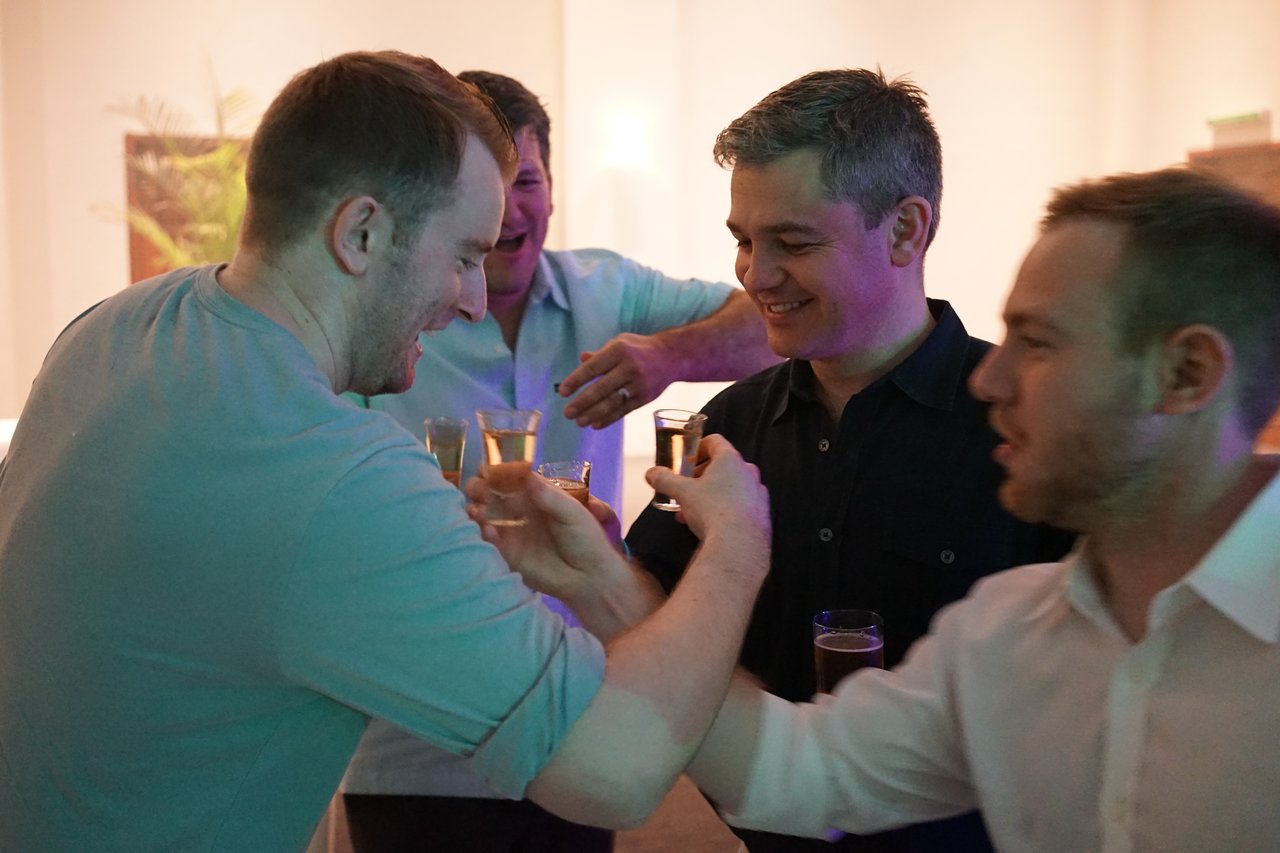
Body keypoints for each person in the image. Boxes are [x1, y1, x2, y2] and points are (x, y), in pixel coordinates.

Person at [0, 51, 773, 851]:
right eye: (464, 256)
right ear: (361, 232)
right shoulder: (340, 479)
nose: (474, 298)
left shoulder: (110, 328)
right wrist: (739, 542)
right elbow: (621, 768)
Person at [674, 166, 1280, 851]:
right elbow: (803, 770)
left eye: (1040, 342)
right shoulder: (1006, 632)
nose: (990, 379)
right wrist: (596, 580)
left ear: (1186, 373)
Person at [625, 69, 1073, 853]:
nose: (755, 277)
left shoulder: (1028, 433)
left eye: (792, 242)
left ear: (906, 229)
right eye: (743, 240)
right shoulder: (728, 424)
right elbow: (654, 610)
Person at [340, 69, 777, 853]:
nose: (510, 210)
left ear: (554, 185)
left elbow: (767, 323)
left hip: (573, 713)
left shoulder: (607, 288)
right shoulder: (389, 307)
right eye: (490, 188)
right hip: (412, 738)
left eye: (529, 181)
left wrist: (667, 355)